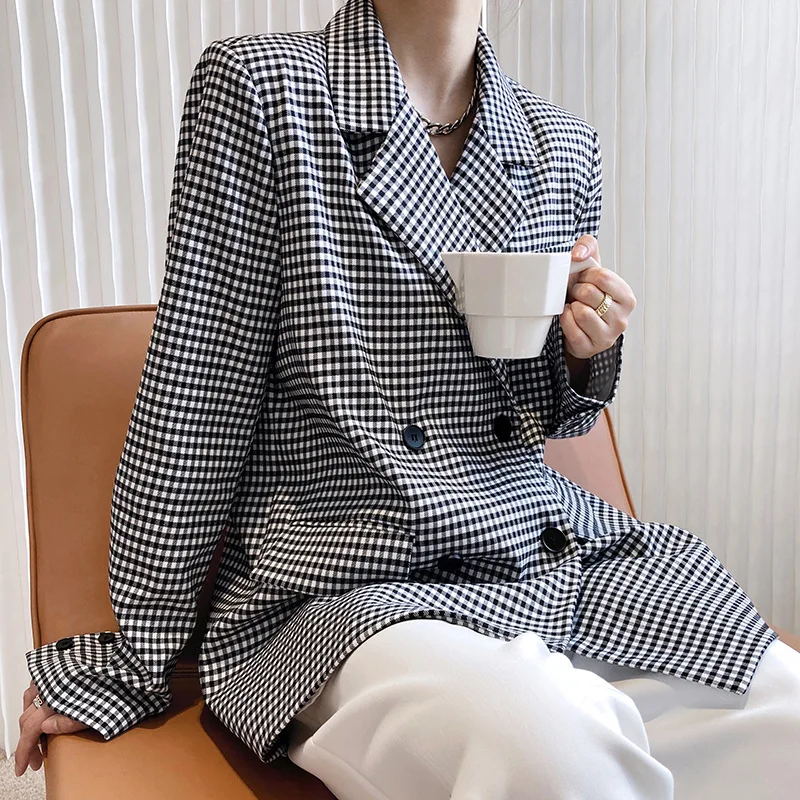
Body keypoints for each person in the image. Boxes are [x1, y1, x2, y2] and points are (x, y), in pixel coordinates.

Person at [15, 0, 800, 797]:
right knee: (548, 752)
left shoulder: (561, 145)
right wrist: (136, 655)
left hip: (540, 553)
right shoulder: (264, 89)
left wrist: (581, 351)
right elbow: (196, 397)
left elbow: (547, 415)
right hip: (344, 582)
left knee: (787, 716)